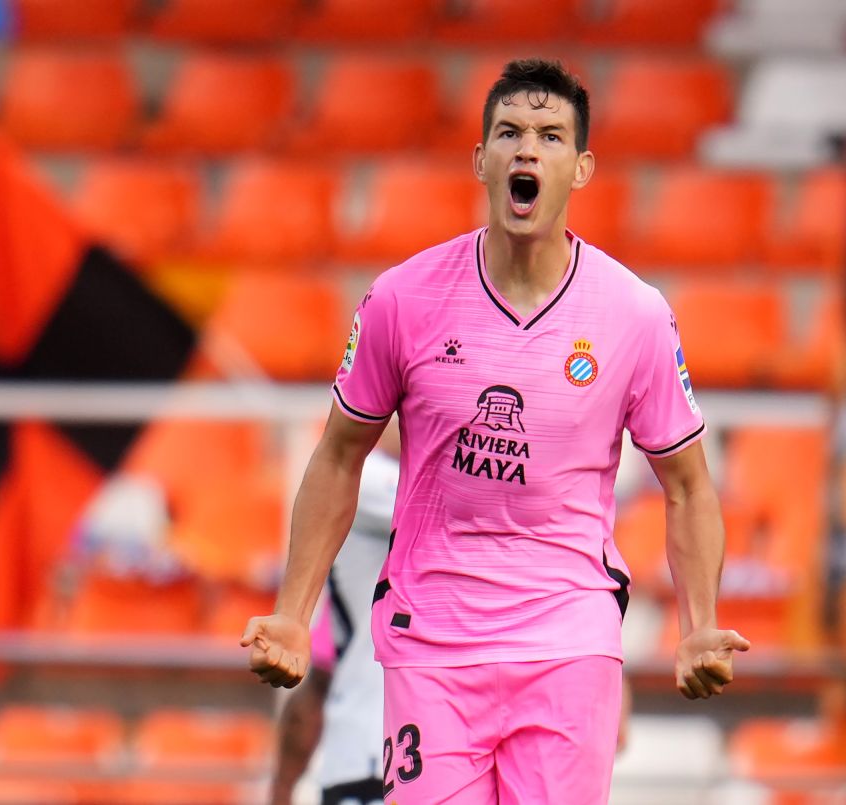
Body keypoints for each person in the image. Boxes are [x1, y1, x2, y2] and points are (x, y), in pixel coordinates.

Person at [243, 58, 748, 804]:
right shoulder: (401, 300)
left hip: (567, 639)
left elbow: (687, 483)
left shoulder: (633, 316)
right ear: (481, 159)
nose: (526, 149)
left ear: (580, 167)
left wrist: (700, 623)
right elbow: (339, 455)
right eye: (509, 132)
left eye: (550, 136)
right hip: (432, 639)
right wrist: (292, 613)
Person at [270, 429, 400, 805]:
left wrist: (282, 786)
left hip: (384, 757)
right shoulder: (364, 479)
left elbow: (317, 684)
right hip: (376, 760)